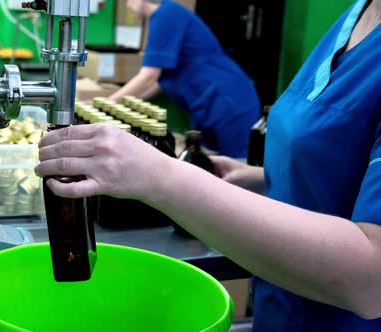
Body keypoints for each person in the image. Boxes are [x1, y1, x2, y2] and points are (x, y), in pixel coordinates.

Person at [36, 0, 381, 330]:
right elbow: (338, 163)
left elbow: (371, 281)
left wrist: (161, 176)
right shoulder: (359, 14)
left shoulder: (167, 16)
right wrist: (258, 179)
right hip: (285, 312)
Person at [105, 0, 261, 158]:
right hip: (208, 106)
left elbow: (149, 77)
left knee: (235, 168)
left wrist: (107, 104)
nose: (128, 5)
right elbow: (157, 82)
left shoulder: (165, 14)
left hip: (229, 102)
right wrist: (119, 105)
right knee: (209, 164)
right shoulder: (165, 14)